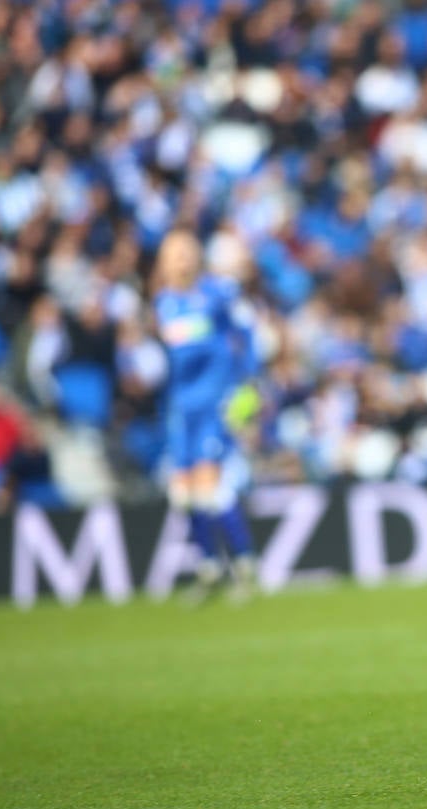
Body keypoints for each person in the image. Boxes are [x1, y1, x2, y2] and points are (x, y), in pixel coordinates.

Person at [154, 229, 260, 601]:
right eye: (173, 253)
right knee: (182, 495)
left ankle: (244, 566)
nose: (180, 260)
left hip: (214, 402)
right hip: (181, 407)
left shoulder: (217, 294)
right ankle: (210, 566)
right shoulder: (163, 302)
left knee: (210, 488)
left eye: (186, 252)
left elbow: (246, 335)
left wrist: (247, 387)